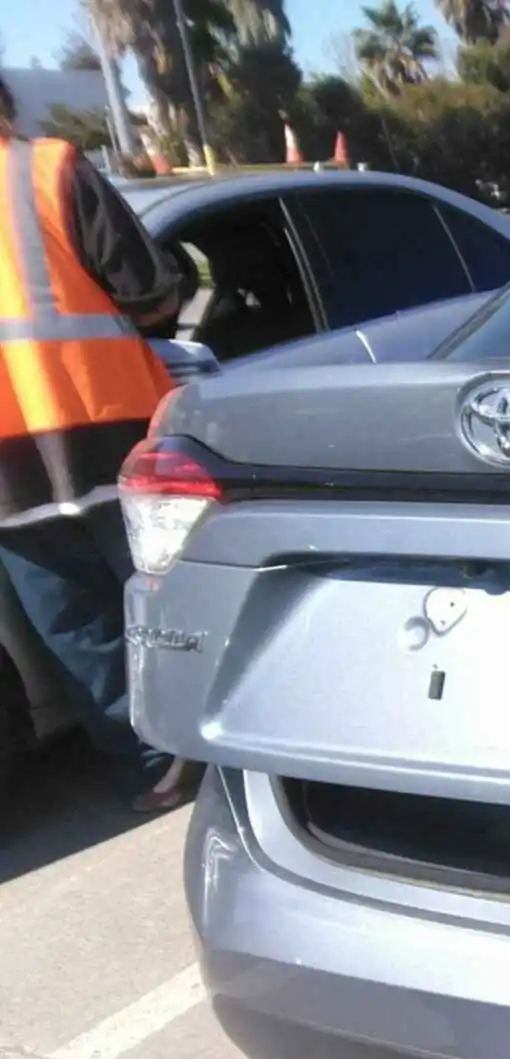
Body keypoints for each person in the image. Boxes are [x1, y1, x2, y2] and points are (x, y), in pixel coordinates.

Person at [0, 75, 199, 812]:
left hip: (10, 477)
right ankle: (220, 749)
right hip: (109, 434)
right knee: (174, 600)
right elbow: (152, 293)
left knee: (75, 629)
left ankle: (152, 769)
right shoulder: (49, 168)